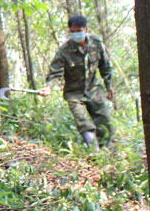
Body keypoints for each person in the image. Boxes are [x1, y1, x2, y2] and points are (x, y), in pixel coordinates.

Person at [40, 14, 115, 149]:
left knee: (105, 123)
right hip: (74, 93)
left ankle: (105, 152)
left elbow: (105, 66)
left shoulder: (96, 43)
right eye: (72, 32)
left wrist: (109, 86)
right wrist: (49, 87)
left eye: (79, 31)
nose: (76, 34)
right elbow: (55, 71)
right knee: (82, 120)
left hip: (94, 90)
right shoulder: (65, 49)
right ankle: (95, 151)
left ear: (86, 29)